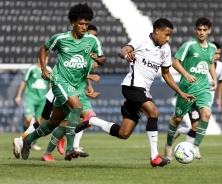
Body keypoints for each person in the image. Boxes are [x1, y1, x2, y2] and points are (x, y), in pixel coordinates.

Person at [75, 18, 194, 167]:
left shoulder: (166, 49)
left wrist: (181, 92)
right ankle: (154, 157)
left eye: (170, 35)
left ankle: (91, 120)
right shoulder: (142, 40)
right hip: (132, 86)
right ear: (157, 30)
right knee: (154, 113)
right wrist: (126, 55)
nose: (168, 38)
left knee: (124, 133)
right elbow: (122, 51)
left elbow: (166, 74)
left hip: (143, 89)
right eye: (166, 34)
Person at [21, 3, 105, 161]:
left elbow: (102, 58)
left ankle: (28, 139)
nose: (84, 27)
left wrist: (98, 60)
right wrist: (44, 69)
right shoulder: (61, 38)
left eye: (87, 24)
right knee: (78, 108)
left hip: (77, 87)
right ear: (72, 23)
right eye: (81, 23)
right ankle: (71, 147)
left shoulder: (92, 40)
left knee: (53, 122)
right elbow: (43, 48)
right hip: (59, 81)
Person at [163, 17, 217, 160]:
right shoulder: (189, 45)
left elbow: (210, 63)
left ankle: (195, 146)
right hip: (186, 88)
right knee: (177, 119)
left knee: (206, 114)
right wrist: (186, 74)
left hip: (203, 88)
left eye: (204, 30)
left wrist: (214, 78)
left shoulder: (212, 47)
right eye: (199, 29)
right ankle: (168, 144)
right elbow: (175, 63)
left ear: (209, 31)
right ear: (195, 29)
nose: (201, 32)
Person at [173, 42, 222, 144]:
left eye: (219, 54)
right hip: (194, 95)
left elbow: (221, 81)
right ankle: (190, 149)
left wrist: (219, 98)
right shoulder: (201, 63)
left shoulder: (220, 66)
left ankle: (180, 131)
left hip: (207, 99)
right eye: (215, 54)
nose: (217, 56)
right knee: (195, 126)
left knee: (199, 127)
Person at [14, 56, 52, 152]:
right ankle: (23, 138)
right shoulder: (31, 69)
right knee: (28, 119)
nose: (46, 61)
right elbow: (23, 82)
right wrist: (18, 96)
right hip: (31, 98)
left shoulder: (49, 70)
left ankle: (31, 142)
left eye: (47, 59)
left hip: (42, 100)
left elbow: (51, 85)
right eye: (45, 59)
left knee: (39, 122)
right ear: (39, 59)